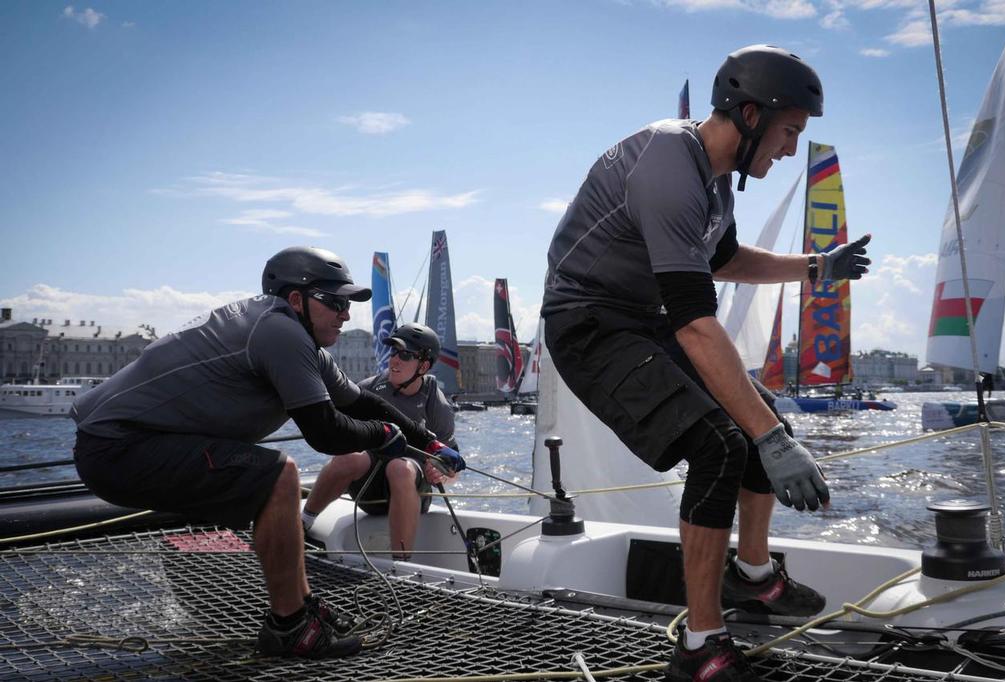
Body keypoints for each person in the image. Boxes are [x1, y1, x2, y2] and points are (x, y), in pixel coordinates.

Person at [541, 45, 871, 681]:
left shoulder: (714, 179)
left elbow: (723, 261)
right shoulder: (669, 165)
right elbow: (695, 321)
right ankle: (700, 648)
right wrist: (771, 442)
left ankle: (750, 575)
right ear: (751, 114)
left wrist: (816, 267)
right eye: (789, 132)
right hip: (589, 325)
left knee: (760, 417)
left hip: (643, 321)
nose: (789, 149)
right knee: (725, 442)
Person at [70, 246, 464, 660]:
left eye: (347, 304)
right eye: (334, 302)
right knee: (277, 475)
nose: (345, 314)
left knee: (282, 476)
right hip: (117, 446)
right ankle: (290, 628)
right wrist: (382, 435)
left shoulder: (297, 339)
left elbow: (358, 403)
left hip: (129, 441)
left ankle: (301, 610)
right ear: (297, 300)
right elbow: (325, 431)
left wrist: (430, 442)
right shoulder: (279, 332)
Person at [302, 323, 459, 560]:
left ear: (424, 366)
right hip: (369, 494)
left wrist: (442, 473)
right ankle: (303, 523)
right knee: (349, 457)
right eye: (394, 352)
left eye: (405, 355)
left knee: (399, 468)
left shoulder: (436, 403)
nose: (395, 360)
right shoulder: (368, 389)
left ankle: (401, 565)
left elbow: (452, 466)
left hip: (411, 488)